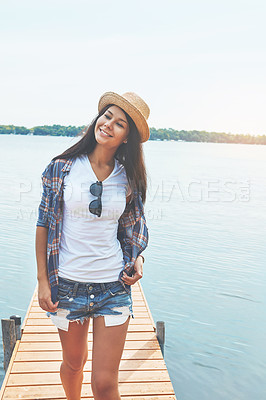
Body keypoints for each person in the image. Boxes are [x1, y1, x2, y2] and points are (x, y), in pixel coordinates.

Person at [35, 91, 150, 400]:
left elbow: (132, 230)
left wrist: (137, 259)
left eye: (120, 123)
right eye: (107, 116)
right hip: (68, 284)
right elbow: (43, 224)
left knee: (104, 384)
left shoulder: (129, 179)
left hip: (112, 285)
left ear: (128, 137)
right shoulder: (62, 167)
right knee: (74, 364)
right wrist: (43, 281)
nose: (109, 125)